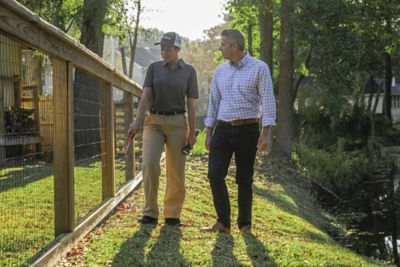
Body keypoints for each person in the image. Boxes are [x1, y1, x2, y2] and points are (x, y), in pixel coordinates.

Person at [201, 29, 276, 235]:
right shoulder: (220, 71)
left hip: (248, 129)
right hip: (223, 129)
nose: (221, 48)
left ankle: (245, 226)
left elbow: (268, 100)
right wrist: (209, 132)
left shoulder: (259, 68)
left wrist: (266, 132)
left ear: (234, 46)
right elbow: (214, 103)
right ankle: (223, 222)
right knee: (214, 174)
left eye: (223, 44)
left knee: (244, 179)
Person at [128, 32, 198, 227]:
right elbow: (145, 96)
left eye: (168, 49)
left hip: (177, 122)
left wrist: (192, 132)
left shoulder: (189, 71)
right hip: (155, 121)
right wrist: (137, 121)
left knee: (176, 171)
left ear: (177, 50)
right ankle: (150, 212)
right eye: (162, 49)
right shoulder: (154, 68)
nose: (164, 52)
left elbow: (191, 104)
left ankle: (172, 214)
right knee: (149, 164)